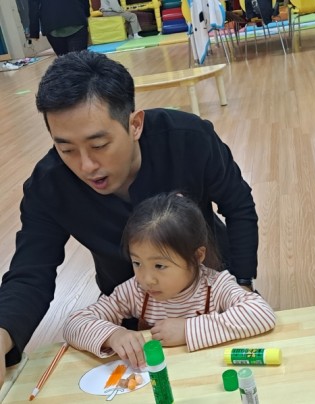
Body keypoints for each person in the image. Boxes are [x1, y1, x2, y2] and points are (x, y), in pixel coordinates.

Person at [0, 50, 258, 387]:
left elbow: (238, 206)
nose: (86, 165)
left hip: (208, 288)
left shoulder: (188, 138)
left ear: (134, 124)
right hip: (131, 309)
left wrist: (241, 282)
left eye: (99, 144)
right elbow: (31, 272)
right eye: (66, 150)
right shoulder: (49, 186)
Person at [64, 193, 275, 369]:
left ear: (197, 256)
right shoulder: (135, 291)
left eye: (159, 266)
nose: (147, 279)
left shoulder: (215, 286)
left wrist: (187, 330)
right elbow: (75, 323)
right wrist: (114, 335)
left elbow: (261, 313)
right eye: (137, 263)